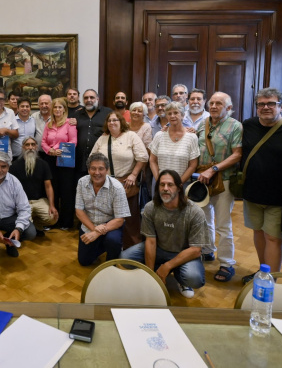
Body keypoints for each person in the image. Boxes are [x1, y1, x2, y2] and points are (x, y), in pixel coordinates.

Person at [241, 87, 282, 283]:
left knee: (273, 238)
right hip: (252, 192)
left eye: (271, 103)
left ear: (281, 106)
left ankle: (271, 279)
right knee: (258, 233)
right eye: (261, 104)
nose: (266, 107)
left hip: (280, 195)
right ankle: (263, 271)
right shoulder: (249, 124)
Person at [121, 169, 208, 299]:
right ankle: (156, 271)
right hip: (159, 248)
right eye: (162, 185)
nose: (165, 188)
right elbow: (150, 241)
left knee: (193, 278)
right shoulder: (150, 208)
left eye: (170, 185)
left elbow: (196, 250)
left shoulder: (195, 212)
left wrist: (167, 266)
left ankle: (180, 278)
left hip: (183, 252)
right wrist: (151, 275)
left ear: (179, 188)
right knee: (125, 258)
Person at [195, 92, 242, 283]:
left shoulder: (235, 126)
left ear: (229, 108)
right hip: (202, 179)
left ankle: (226, 263)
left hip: (224, 179)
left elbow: (237, 154)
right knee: (204, 219)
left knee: (223, 224)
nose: (214, 106)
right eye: (212, 103)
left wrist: (214, 169)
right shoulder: (202, 124)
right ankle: (207, 251)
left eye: (219, 103)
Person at [91, 111, 148, 248]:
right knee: (107, 217)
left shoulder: (131, 136)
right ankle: (110, 246)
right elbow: (92, 158)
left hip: (125, 184)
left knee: (129, 218)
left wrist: (133, 175)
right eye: (109, 120)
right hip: (105, 184)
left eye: (115, 120)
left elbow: (143, 157)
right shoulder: (103, 138)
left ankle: (132, 248)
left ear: (122, 122)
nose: (112, 123)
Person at [75, 153, 129, 265]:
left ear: (107, 170)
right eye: (93, 169)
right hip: (90, 224)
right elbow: (79, 211)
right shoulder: (81, 182)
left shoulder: (117, 187)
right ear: (88, 170)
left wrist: (97, 233)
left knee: (112, 240)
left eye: (101, 169)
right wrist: (94, 229)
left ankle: (111, 259)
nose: (97, 173)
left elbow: (120, 219)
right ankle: (102, 246)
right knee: (84, 261)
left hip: (111, 225)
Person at [41, 97, 78, 230]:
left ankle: (66, 222)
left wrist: (58, 149)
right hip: (50, 159)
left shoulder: (70, 124)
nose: (57, 109)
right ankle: (53, 221)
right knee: (53, 189)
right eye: (55, 107)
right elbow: (43, 141)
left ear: (64, 110)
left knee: (66, 191)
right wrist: (49, 150)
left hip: (65, 159)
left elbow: (73, 141)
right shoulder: (49, 125)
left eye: (60, 107)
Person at [9, 137, 58, 235]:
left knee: (53, 217)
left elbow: (48, 187)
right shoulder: (14, 166)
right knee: (27, 228)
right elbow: (10, 188)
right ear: (23, 147)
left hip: (39, 200)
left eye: (33, 144)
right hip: (23, 202)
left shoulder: (44, 164)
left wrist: (52, 206)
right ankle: (33, 227)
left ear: (36, 147)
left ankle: (37, 224)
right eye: (27, 145)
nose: (30, 147)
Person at [69, 89, 113, 184]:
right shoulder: (77, 114)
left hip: (101, 159)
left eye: (92, 97)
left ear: (97, 99)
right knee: (82, 187)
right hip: (80, 160)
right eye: (86, 98)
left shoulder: (108, 113)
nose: (89, 100)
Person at [149, 101, 199, 184]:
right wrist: (159, 180)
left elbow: (193, 165)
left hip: (182, 184)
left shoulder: (191, 137)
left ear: (182, 115)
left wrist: (179, 184)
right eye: (169, 114)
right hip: (161, 183)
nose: (172, 116)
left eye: (176, 113)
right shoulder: (159, 135)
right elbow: (152, 160)